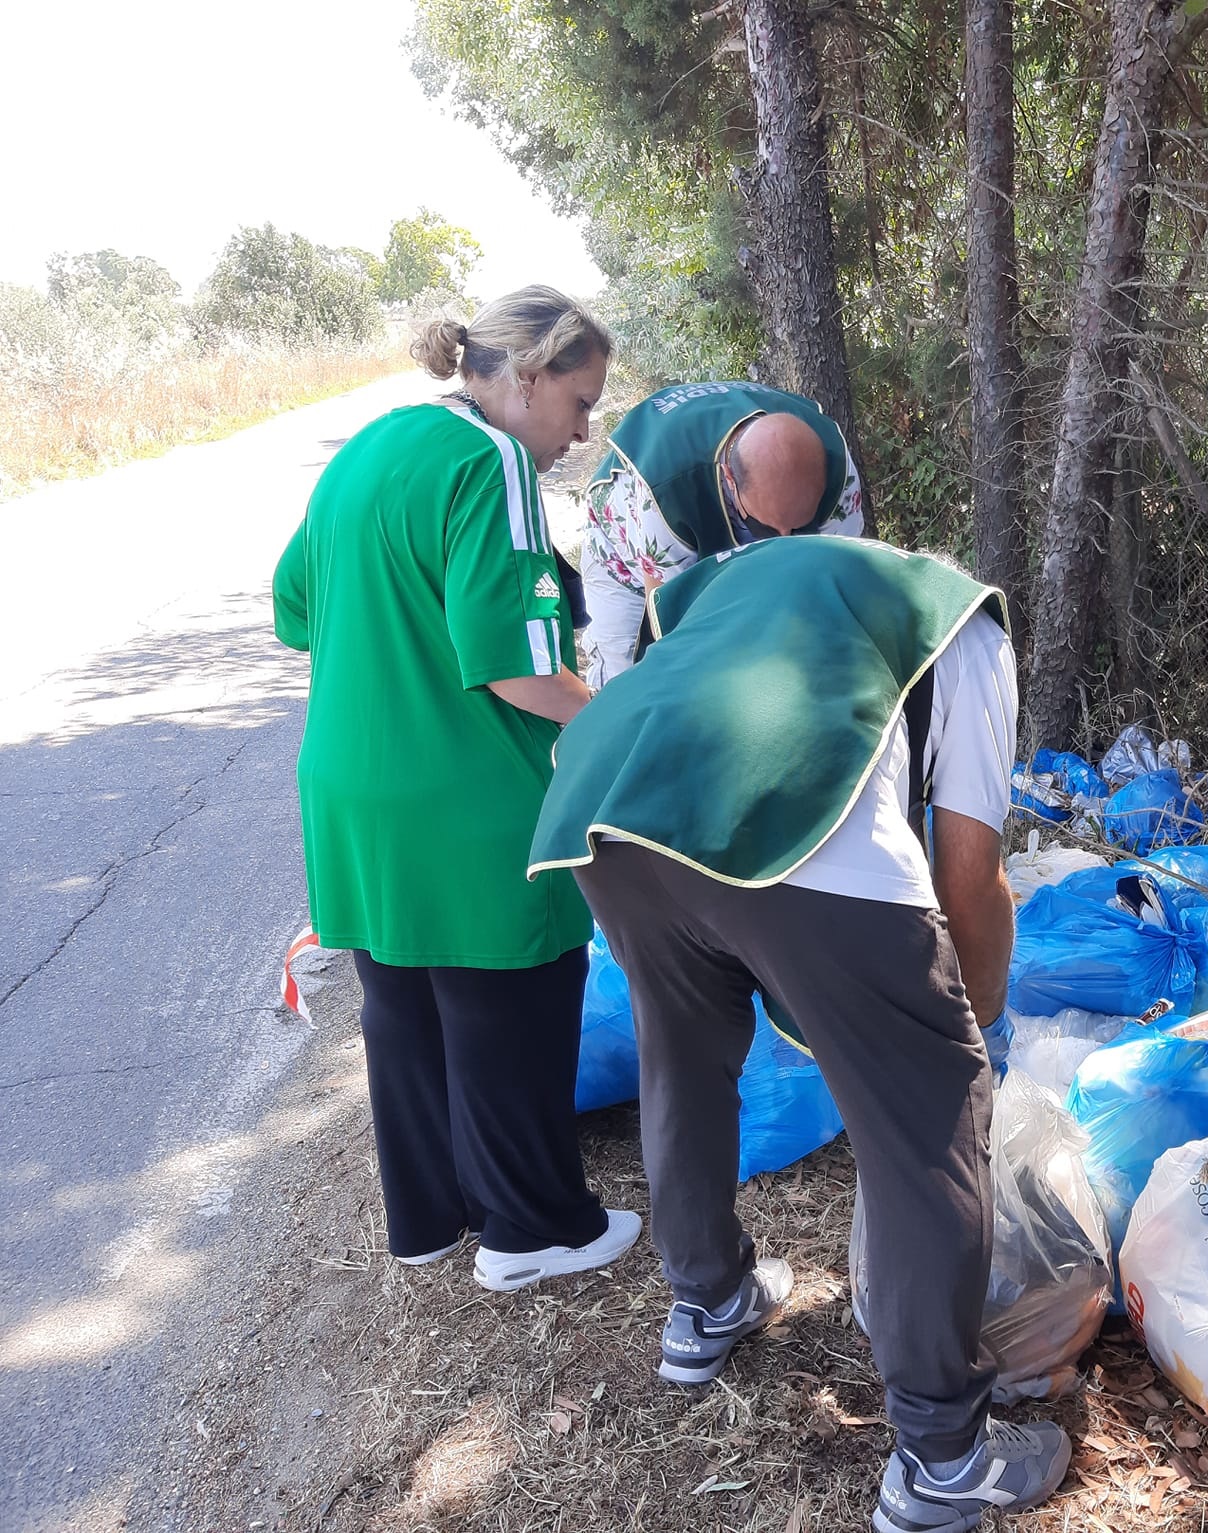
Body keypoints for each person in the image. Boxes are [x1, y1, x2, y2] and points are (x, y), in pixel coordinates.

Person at [527, 536, 1072, 1531]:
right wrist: (975, 1028)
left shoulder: (737, 576)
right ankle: (943, 1456)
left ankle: (705, 1302)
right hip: (782, 815)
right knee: (929, 1115)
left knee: (680, 1056)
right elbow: (967, 872)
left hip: (603, 809)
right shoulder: (964, 624)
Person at [272, 286, 641, 1293]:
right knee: (511, 990)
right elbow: (516, 667)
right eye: (579, 402)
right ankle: (533, 1231)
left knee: (402, 1000)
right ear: (524, 382)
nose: (580, 431)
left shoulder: (366, 449)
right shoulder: (493, 462)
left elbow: (295, 611)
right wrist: (626, 713)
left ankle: (430, 1219)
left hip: (349, 786)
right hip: (464, 792)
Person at [577, 380, 865, 686]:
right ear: (729, 478)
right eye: (764, 527)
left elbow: (838, 583)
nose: (783, 539)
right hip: (626, 554)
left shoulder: (839, 475)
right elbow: (674, 629)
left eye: (799, 527)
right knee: (629, 678)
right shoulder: (665, 495)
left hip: (712, 517)